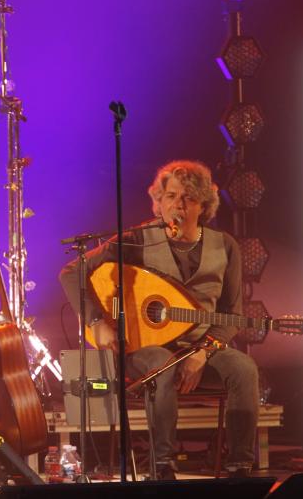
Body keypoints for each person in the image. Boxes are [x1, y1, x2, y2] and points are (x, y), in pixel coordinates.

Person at [59, 160, 259, 479]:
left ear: (204, 205)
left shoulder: (225, 247)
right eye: (170, 196)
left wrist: (203, 351)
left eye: (188, 198)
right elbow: (72, 272)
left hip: (202, 348)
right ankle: (162, 465)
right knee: (162, 364)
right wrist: (97, 321)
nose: (177, 205)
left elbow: (232, 314)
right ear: (158, 201)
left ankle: (240, 467)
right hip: (145, 348)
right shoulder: (138, 239)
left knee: (243, 368)